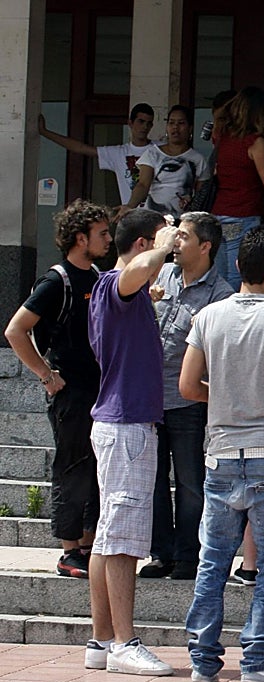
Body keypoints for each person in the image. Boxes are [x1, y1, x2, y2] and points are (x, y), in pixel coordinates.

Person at [179, 228, 264, 682]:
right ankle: (258, 660)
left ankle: (203, 658)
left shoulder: (209, 316)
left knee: (213, 560)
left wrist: (221, 396)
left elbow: (186, 386)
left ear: (237, 267)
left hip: (220, 451)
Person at [85, 208, 175, 676]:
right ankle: (125, 642)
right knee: (122, 540)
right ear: (142, 244)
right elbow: (134, 270)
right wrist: (166, 242)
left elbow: (136, 278)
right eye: (158, 243)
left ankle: (101, 640)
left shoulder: (123, 290)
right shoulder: (115, 282)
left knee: (107, 535)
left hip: (121, 423)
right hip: (126, 426)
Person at [4, 200, 109, 578]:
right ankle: (69, 550)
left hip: (99, 387)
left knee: (95, 467)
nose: (108, 240)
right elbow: (15, 330)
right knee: (72, 467)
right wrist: (46, 375)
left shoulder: (97, 275)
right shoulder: (56, 279)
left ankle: (87, 542)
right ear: (80, 238)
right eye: (101, 234)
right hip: (71, 390)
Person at [140, 212, 232, 581]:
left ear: (205, 246)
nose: (174, 243)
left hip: (189, 401)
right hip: (149, 396)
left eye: (183, 237)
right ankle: (160, 552)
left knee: (191, 482)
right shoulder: (161, 276)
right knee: (154, 480)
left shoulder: (221, 294)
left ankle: (187, 555)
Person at [211, 87, 264, 288]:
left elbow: (218, 117)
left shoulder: (222, 138)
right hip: (244, 213)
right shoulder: (255, 143)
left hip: (218, 215)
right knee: (240, 276)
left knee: (220, 278)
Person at [38, 104, 157, 206]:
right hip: (131, 215)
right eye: (141, 121)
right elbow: (80, 148)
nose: (145, 127)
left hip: (158, 214)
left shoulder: (159, 149)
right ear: (130, 123)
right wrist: (45, 132)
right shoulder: (118, 153)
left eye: (149, 123)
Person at [120, 105, 210, 217]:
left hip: (183, 221)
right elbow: (143, 185)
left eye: (181, 123)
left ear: (190, 128)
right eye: (171, 123)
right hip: (153, 218)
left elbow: (201, 196)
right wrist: (129, 206)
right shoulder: (153, 153)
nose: (175, 127)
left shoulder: (198, 159)